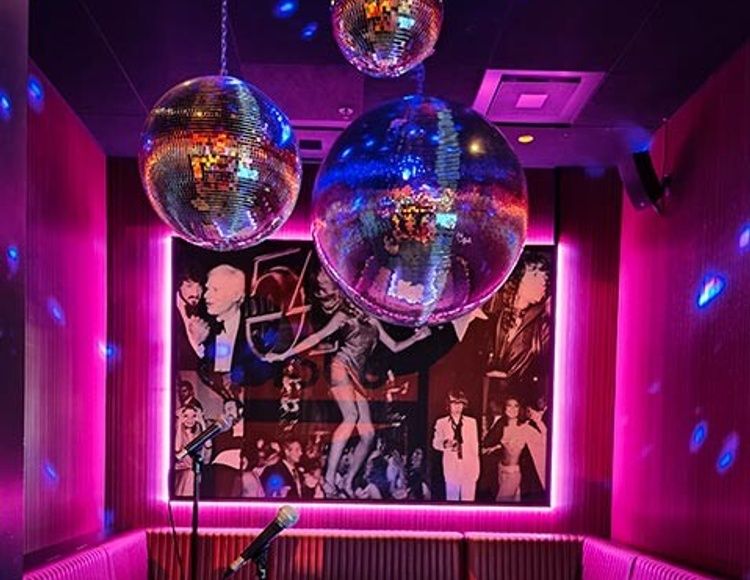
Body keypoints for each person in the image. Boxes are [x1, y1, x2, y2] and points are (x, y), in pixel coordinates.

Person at [264, 269, 430, 498]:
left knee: (368, 435)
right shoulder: (343, 315)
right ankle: (329, 477)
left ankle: (348, 481)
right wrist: (284, 355)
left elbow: (394, 346)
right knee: (350, 416)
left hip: (357, 375)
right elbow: (316, 337)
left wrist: (416, 337)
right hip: (340, 367)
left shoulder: (373, 320)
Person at [485, 253, 552, 403]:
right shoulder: (493, 305)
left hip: (517, 397)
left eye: (546, 278)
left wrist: (508, 376)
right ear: (521, 276)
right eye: (537, 275)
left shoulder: (541, 320)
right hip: (485, 395)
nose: (544, 283)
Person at [494, 397, 547, 503]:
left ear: (519, 409)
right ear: (504, 408)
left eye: (516, 406)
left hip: (513, 473)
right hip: (501, 470)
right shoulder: (501, 426)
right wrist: (495, 447)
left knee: (501, 503)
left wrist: (539, 422)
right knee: (512, 504)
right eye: (509, 405)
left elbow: (545, 440)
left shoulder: (524, 428)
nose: (512, 409)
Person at [432, 390, 480, 501]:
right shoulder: (441, 423)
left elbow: (475, 447)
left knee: (468, 502)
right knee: (452, 501)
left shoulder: (472, 422)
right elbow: (435, 443)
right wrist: (445, 444)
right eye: (454, 403)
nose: (457, 406)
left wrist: (476, 470)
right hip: (451, 469)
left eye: (460, 403)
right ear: (448, 405)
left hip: (469, 468)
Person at [207, 398, 244, 497]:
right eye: (225, 410)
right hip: (223, 467)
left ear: (240, 411)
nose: (227, 413)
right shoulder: (222, 430)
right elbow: (218, 447)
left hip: (243, 469)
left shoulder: (248, 428)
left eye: (230, 409)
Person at [174, 404, 209, 497]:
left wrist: (202, 422)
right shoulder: (177, 433)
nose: (190, 419)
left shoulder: (195, 434)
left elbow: (208, 444)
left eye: (193, 416)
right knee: (190, 474)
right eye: (186, 416)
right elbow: (177, 448)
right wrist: (179, 423)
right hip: (179, 470)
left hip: (193, 470)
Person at [478, 398, 504, 501]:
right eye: (490, 406)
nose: (491, 407)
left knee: (493, 482)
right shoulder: (493, 420)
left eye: (492, 405)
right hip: (488, 456)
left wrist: (490, 448)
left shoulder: (502, 422)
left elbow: (503, 441)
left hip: (495, 458)